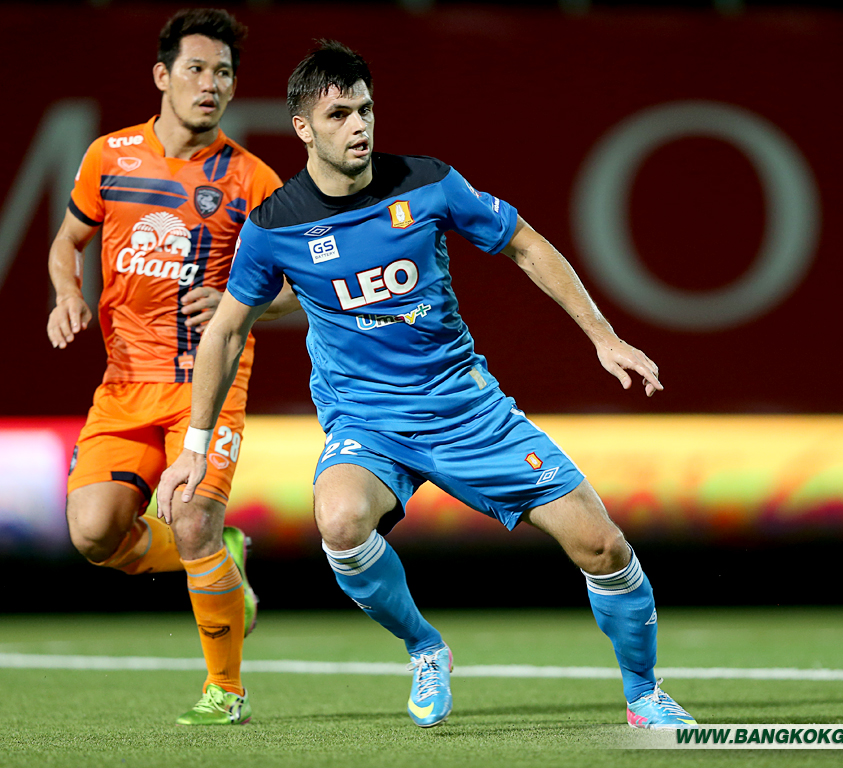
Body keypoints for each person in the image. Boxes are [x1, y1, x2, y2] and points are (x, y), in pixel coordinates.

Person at [158, 40, 696, 731]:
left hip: (468, 412)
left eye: (366, 109)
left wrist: (603, 336)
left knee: (604, 548)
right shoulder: (274, 227)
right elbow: (227, 332)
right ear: (303, 128)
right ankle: (425, 647)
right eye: (339, 115)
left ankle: (644, 695)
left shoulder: (428, 182)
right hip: (367, 421)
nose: (359, 126)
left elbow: (527, 244)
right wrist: (195, 448)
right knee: (340, 522)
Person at [47, 8, 287, 726]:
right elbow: (66, 243)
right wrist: (67, 293)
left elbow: (307, 285)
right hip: (123, 386)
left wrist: (242, 304)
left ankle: (226, 691)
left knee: (191, 519)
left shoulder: (253, 180)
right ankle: (221, 554)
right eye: (197, 69)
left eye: (224, 73)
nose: (211, 85)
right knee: (94, 534)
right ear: (162, 75)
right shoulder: (109, 157)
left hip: (205, 387)